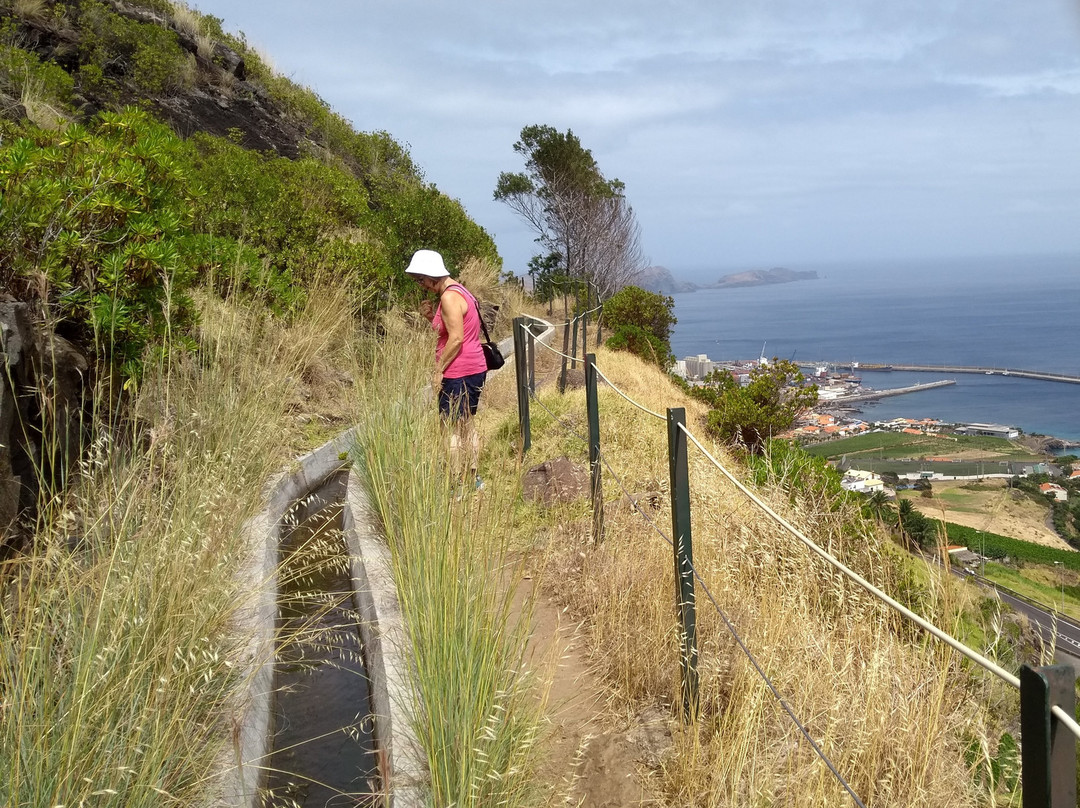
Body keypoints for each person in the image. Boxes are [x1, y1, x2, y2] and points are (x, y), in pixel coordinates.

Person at [405, 249, 487, 487]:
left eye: (422, 279)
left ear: (433, 275)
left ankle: (455, 484)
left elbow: (456, 338)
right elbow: (450, 330)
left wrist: (438, 370)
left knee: (449, 428)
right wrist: (430, 317)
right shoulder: (461, 292)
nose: (422, 285)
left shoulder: (449, 297)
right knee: (467, 424)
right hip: (473, 368)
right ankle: (473, 479)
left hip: (457, 371)